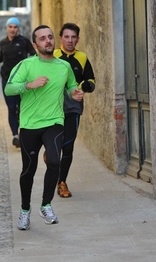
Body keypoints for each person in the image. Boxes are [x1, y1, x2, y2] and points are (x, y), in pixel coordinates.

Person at [5, 25, 84, 230]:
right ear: (35, 44)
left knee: (55, 161)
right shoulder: (26, 65)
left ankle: (46, 205)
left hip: (54, 122)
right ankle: (24, 211)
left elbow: (71, 85)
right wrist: (28, 85)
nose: (48, 41)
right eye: (42, 38)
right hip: (30, 125)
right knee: (28, 171)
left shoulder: (63, 66)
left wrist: (74, 93)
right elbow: (9, 88)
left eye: (50, 37)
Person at [53, 23, 96, 198]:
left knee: (68, 146)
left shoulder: (82, 58)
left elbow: (92, 81)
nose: (70, 40)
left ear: (77, 39)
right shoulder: (53, 56)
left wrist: (85, 86)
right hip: (52, 108)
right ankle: (51, 155)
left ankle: (61, 182)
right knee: (54, 145)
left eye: (73, 37)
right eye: (67, 37)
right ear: (61, 38)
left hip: (73, 108)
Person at [0, 17, 36, 148]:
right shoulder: (2, 43)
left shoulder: (24, 41)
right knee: (11, 108)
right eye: (10, 27)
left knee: (22, 108)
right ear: (6, 28)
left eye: (15, 27)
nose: (12, 29)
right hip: (6, 79)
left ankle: (23, 134)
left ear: (18, 28)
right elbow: (1, 57)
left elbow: (33, 55)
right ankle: (15, 136)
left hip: (22, 80)